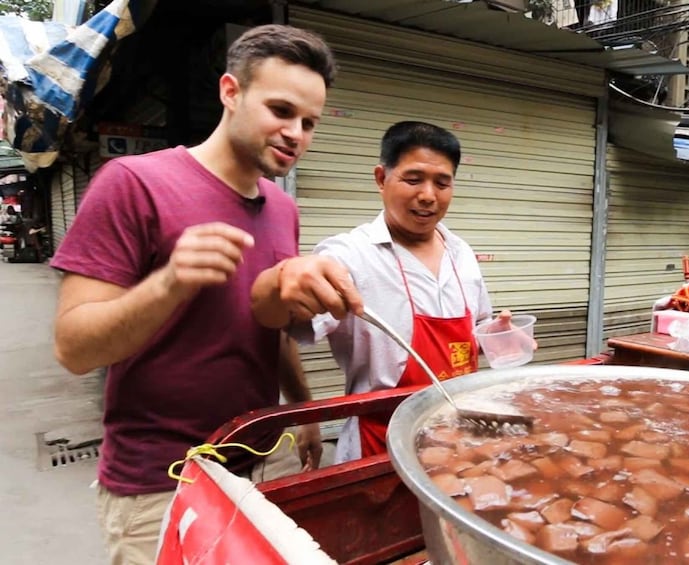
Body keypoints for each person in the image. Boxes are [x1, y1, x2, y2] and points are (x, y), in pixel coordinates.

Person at [50, 25, 337, 564]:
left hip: (260, 458)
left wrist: (303, 409)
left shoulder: (283, 209)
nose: (295, 132)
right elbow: (73, 347)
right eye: (280, 110)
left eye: (309, 122)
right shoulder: (132, 183)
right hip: (162, 482)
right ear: (231, 92)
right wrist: (169, 282)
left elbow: (266, 326)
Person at [251, 121, 528, 463]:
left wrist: (498, 337)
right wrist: (281, 281)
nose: (428, 195)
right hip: (379, 445)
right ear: (381, 178)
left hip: (458, 437)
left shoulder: (461, 253)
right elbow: (279, 320)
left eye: (442, 183)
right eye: (413, 180)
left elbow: (472, 337)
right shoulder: (350, 254)